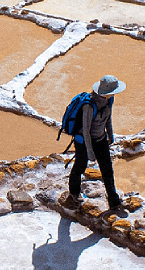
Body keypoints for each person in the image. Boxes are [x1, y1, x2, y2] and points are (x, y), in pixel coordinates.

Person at [62, 75, 125, 211]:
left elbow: (108, 118)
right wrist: (90, 152)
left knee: (107, 170)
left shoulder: (109, 100)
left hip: (101, 139)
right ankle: (74, 193)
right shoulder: (88, 106)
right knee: (80, 166)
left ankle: (114, 201)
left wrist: (110, 135)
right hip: (84, 142)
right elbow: (86, 131)